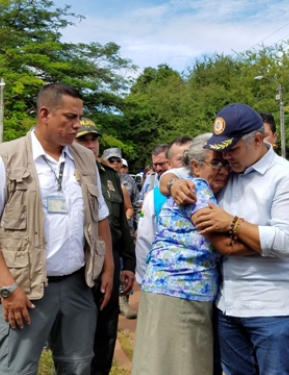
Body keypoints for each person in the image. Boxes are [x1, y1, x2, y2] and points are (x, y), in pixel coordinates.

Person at [0, 83, 114, 375]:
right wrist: (8, 289)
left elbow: (100, 217)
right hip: (25, 290)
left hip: (77, 285)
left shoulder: (84, 159)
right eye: (70, 117)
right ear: (45, 114)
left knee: (77, 365)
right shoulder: (5, 160)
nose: (77, 125)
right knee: (14, 369)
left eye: (79, 117)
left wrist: (107, 266)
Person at [163, 103, 289, 375]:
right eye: (222, 150)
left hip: (272, 307)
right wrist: (171, 181)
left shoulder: (286, 177)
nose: (226, 156)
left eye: (232, 149)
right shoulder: (229, 171)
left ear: (257, 140)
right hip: (228, 305)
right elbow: (177, 173)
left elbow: (287, 242)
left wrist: (232, 224)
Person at [132, 133, 236, 375]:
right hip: (183, 293)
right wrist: (272, 241)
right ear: (196, 166)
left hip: (167, 289)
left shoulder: (188, 184)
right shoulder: (198, 190)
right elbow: (223, 244)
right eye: (217, 163)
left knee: (159, 363)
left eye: (227, 163)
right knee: (182, 364)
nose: (224, 170)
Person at [75, 119, 136, 375]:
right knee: (75, 335)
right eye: (84, 140)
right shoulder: (65, 172)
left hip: (109, 265)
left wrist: (129, 265)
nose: (90, 145)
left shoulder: (111, 177)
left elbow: (121, 224)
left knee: (106, 332)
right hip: (76, 268)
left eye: (94, 140)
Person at [134, 136, 191, 285]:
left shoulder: (214, 188)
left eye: (190, 156)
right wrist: (143, 279)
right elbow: (144, 241)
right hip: (166, 281)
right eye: (181, 158)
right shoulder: (154, 197)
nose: (188, 162)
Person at [101, 147, 140, 319]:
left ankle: (123, 300)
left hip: (122, 230)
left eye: (118, 161)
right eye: (112, 161)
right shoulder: (98, 178)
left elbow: (134, 205)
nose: (116, 164)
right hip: (102, 234)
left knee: (124, 265)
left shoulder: (127, 182)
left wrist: (130, 223)